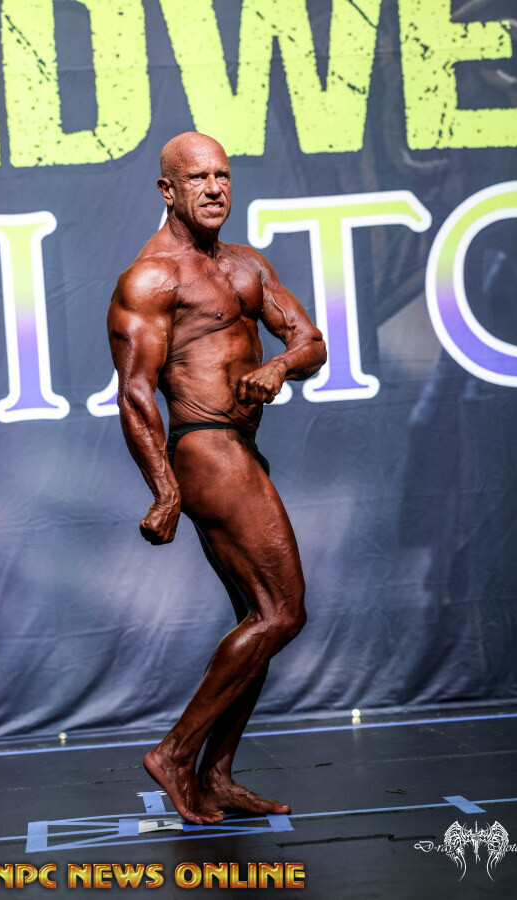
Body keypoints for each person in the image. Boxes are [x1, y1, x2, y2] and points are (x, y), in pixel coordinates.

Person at [107, 132, 326, 825]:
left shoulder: (244, 265)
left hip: (242, 446)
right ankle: (176, 753)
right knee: (283, 611)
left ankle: (217, 774)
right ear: (168, 191)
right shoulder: (151, 279)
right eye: (197, 178)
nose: (213, 188)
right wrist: (164, 490)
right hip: (207, 449)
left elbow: (311, 342)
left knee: (257, 617)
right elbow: (134, 394)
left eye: (222, 175)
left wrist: (278, 366)